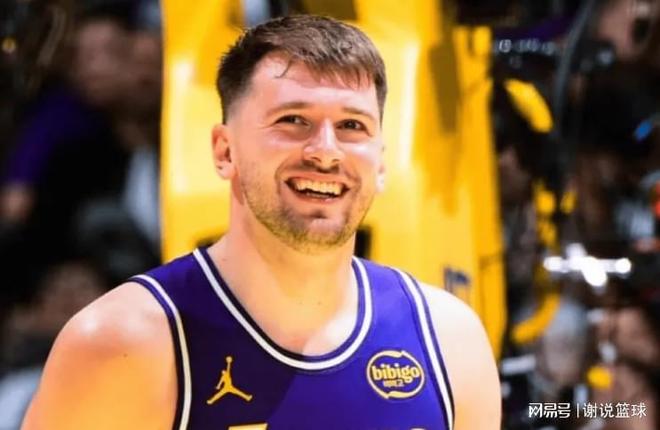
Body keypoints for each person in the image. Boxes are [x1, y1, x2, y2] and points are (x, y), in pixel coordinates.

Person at [21, 15, 500, 429]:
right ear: (224, 151)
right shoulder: (122, 344)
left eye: (352, 126)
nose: (326, 151)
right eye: (293, 120)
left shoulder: (449, 339)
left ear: (381, 162)